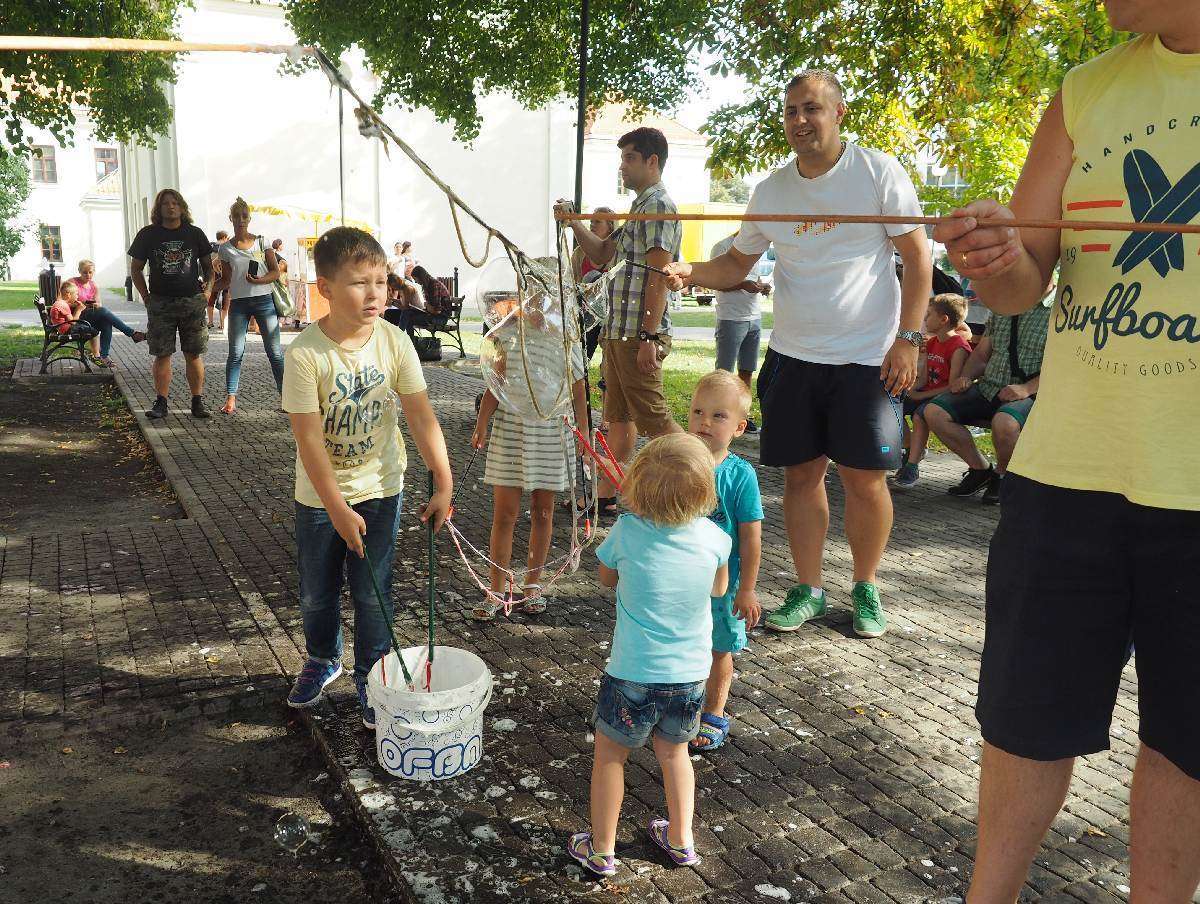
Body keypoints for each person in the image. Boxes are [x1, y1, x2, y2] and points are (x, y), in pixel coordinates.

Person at [934, 8, 1200, 900]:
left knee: (1186, 745)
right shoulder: (1087, 87)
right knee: (1023, 722)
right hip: (1067, 472)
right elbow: (1023, 283)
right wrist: (996, 253)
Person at [666, 70, 932, 640]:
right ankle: (808, 587)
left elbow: (917, 257)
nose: (800, 121)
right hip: (793, 357)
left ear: (838, 113)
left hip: (868, 359)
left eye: (811, 108)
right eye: (790, 111)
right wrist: (689, 273)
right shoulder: (772, 190)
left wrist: (908, 339)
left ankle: (866, 587)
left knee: (865, 482)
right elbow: (735, 267)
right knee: (801, 479)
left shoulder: (878, 173)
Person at [282, 226, 452, 729]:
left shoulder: (395, 342)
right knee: (317, 590)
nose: (374, 292)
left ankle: (372, 676)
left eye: (380, 280)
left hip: (382, 489)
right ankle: (322, 657)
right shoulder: (305, 354)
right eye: (359, 282)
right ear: (326, 288)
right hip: (319, 498)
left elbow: (422, 417)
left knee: (373, 590)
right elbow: (309, 440)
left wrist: (443, 480)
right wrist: (335, 508)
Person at [568, 433, 730, 878]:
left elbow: (606, 578)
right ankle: (681, 841)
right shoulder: (716, 539)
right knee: (676, 755)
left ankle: (601, 850)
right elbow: (718, 589)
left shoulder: (626, 530)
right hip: (690, 677)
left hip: (632, 675)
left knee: (610, 758)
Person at [556, 127, 684, 519]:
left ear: (652, 161)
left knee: (656, 421)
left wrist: (648, 334)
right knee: (618, 421)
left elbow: (658, 274)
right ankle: (606, 494)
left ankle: (705, 480)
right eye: (622, 158)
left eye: (629, 158)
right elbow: (601, 251)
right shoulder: (638, 209)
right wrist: (573, 221)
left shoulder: (658, 205)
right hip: (618, 330)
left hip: (636, 333)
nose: (622, 167)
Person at [469, 318, 589, 620]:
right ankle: (496, 589)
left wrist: (585, 434)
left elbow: (578, 393)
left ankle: (532, 584)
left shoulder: (569, 340)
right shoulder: (505, 336)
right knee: (504, 514)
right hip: (511, 431)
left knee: (543, 511)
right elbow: (494, 386)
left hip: (550, 434)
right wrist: (482, 422)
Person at [686, 371, 763, 752]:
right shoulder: (679, 463)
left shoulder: (740, 475)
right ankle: (678, 705)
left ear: (738, 427)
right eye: (698, 411)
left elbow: (751, 538)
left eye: (718, 415)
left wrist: (746, 588)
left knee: (720, 649)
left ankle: (714, 712)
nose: (704, 421)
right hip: (683, 579)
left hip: (725, 584)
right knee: (683, 643)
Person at [923, 296, 1049, 504]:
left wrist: (1026, 388)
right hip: (989, 386)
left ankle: (1003, 476)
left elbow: (1063, 364)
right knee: (934, 412)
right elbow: (981, 355)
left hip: (1030, 391)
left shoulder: (1059, 311)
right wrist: (966, 376)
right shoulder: (1003, 307)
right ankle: (980, 469)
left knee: (1005, 423)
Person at [128, 188, 215, 420]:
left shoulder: (195, 233)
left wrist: (207, 292)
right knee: (162, 354)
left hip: (192, 303)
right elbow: (135, 268)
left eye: (175, 202)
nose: (171, 207)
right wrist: (145, 297)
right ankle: (161, 402)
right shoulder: (148, 235)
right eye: (165, 203)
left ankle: (197, 401)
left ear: (182, 207)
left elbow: (209, 267)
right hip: (160, 303)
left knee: (193, 354)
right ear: (159, 208)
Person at [892, 293, 973, 488]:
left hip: (943, 398)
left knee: (920, 416)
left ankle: (912, 466)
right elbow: (926, 378)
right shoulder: (933, 342)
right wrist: (911, 388)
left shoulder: (958, 347)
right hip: (929, 392)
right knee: (894, 405)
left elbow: (952, 386)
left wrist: (920, 395)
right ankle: (908, 449)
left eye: (928, 315)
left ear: (943, 319)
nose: (925, 319)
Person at [217, 198, 285, 415]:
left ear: (249, 218)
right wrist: (207, 288)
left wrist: (260, 281)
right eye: (236, 216)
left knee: (274, 353)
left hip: (264, 301)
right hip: (238, 304)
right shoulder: (225, 249)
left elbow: (275, 272)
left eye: (244, 216)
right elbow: (227, 280)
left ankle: (286, 398)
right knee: (235, 353)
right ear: (231, 219)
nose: (240, 220)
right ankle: (230, 399)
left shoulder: (262, 242)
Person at [709, 233, 771, 433]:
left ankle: (741, 416)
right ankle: (718, 415)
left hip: (754, 317)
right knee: (724, 372)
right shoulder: (722, 246)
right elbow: (714, 282)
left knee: (747, 370)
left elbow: (755, 277)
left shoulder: (755, 246)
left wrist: (762, 286)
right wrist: (743, 285)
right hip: (730, 318)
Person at [49, 280, 146, 364]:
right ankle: (130, 334)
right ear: (68, 294)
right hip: (70, 330)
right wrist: (79, 309)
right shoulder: (62, 304)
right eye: (76, 294)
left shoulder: (62, 303)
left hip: (69, 327)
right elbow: (73, 322)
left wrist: (82, 305)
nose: (77, 296)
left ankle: (103, 356)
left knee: (106, 322)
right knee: (102, 311)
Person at [571, 207, 616, 362]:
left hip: (610, 314)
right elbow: (572, 283)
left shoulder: (617, 253)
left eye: (597, 221)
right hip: (586, 313)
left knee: (610, 363)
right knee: (580, 359)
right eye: (591, 221)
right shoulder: (579, 253)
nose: (592, 225)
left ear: (610, 226)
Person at [208, 231, 230, 331]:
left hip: (213, 276)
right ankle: (223, 324)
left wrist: (217, 271)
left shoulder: (211, 246)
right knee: (226, 299)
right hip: (225, 276)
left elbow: (211, 263)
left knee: (211, 299)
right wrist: (221, 272)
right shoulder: (226, 247)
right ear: (225, 237)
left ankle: (210, 321)